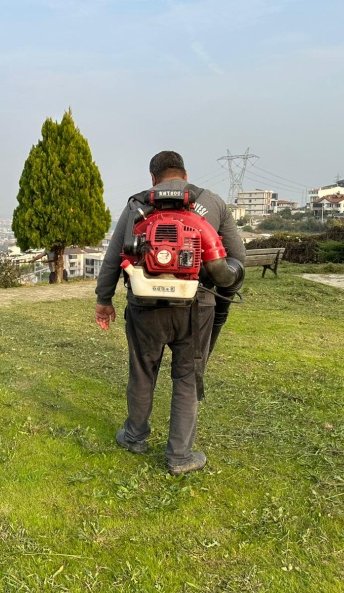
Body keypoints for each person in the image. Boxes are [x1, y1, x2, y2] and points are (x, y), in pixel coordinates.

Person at [94, 150, 245, 476]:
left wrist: (104, 299)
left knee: (142, 371)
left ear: (153, 178)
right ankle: (179, 456)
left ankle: (134, 437)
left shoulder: (136, 203)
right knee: (187, 379)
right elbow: (237, 259)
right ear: (185, 174)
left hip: (143, 305)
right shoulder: (213, 202)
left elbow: (112, 256)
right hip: (197, 306)